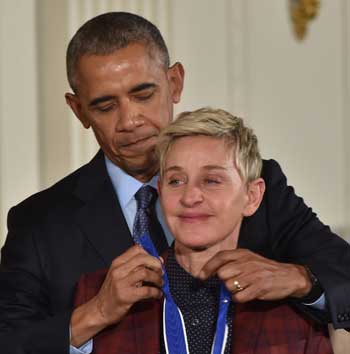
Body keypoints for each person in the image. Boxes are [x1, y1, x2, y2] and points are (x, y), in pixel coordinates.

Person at [0, 11, 349, 354]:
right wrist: (96, 312)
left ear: (175, 82)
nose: (130, 120)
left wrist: (302, 281)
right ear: (79, 111)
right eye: (106, 106)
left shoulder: (253, 183)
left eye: (143, 94)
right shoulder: (39, 222)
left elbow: (341, 272)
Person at [73, 107, 333, 354]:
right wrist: (96, 313)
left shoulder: (293, 307)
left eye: (211, 180)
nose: (190, 196)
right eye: (176, 180)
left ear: (252, 196)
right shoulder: (100, 293)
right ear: (161, 193)